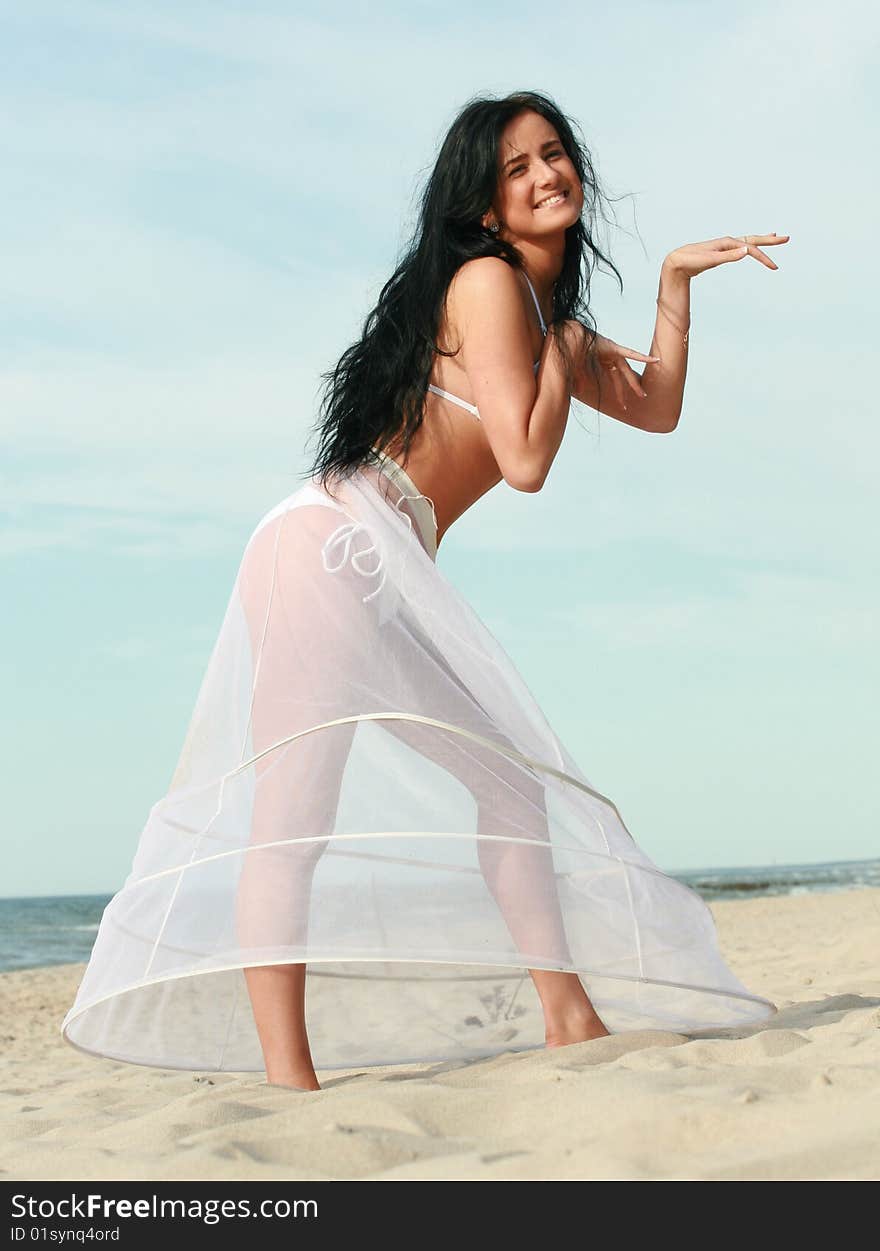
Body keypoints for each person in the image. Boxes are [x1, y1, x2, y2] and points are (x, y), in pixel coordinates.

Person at [61, 91, 788, 1092]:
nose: (546, 175)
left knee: (505, 783)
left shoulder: (546, 322)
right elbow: (525, 460)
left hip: (372, 556)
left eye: (554, 154)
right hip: (332, 550)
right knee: (295, 813)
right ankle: (290, 1079)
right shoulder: (489, 284)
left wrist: (670, 282)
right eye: (517, 168)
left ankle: (568, 1017)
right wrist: (566, 358)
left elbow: (654, 408)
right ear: (486, 209)